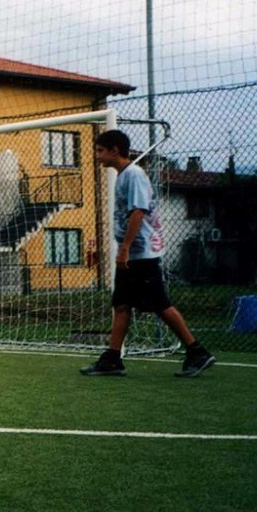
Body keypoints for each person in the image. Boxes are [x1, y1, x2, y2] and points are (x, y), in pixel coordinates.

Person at [81, 130, 215, 378]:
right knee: (121, 304)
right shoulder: (122, 176)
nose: (97, 155)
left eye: (100, 150)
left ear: (114, 150)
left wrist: (125, 249)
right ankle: (112, 359)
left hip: (141, 255)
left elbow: (138, 213)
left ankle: (197, 352)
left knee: (161, 305)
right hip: (131, 255)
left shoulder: (134, 175)